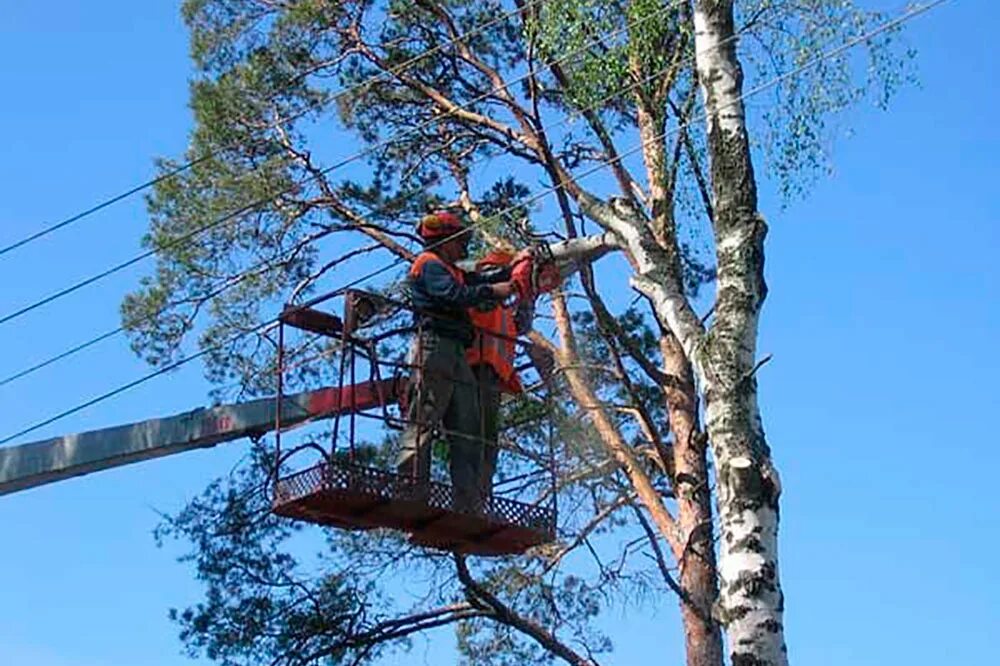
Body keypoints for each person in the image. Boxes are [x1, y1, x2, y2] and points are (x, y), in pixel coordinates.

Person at [397, 211, 526, 513]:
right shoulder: (428, 265)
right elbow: (455, 294)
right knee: (424, 421)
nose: (465, 249)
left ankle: (469, 505)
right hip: (434, 347)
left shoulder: (450, 269)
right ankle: (410, 493)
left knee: (468, 429)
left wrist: (519, 267)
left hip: (455, 351)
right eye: (462, 242)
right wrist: (493, 290)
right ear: (445, 241)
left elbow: (482, 279)